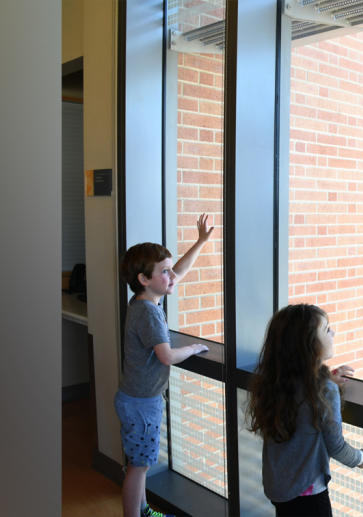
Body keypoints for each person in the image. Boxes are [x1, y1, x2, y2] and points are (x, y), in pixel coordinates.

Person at [114, 213, 215, 517]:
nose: (172, 277)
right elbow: (167, 356)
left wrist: (200, 242)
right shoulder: (149, 313)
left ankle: (143, 511)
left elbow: (180, 271)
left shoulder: (144, 301)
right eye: (165, 272)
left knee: (139, 464)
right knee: (139, 467)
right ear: (145, 280)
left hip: (137, 399)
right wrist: (194, 347)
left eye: (170, 271)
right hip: (142, 403)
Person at [246, 304, 363, 516]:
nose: (334, 332)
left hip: (280, 490)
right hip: (309, 496)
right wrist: (361, 458)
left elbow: (302, 401)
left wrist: (326, 377)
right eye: (326, 329)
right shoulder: (324, 391)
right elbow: (337, 446)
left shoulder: (274, 382)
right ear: (308, 345)